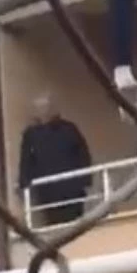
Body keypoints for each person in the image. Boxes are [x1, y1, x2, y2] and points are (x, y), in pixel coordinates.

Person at [18, 94, 92, 226]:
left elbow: (83, 155)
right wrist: (23, 182)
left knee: (75, 224)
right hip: (48, 194)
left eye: (45, 108)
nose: (42, 111)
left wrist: (85, 180)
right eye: (39, 108)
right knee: (56, 226)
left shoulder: (69, 129)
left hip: (72, 191)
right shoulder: (30, 135)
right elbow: (26, 161)